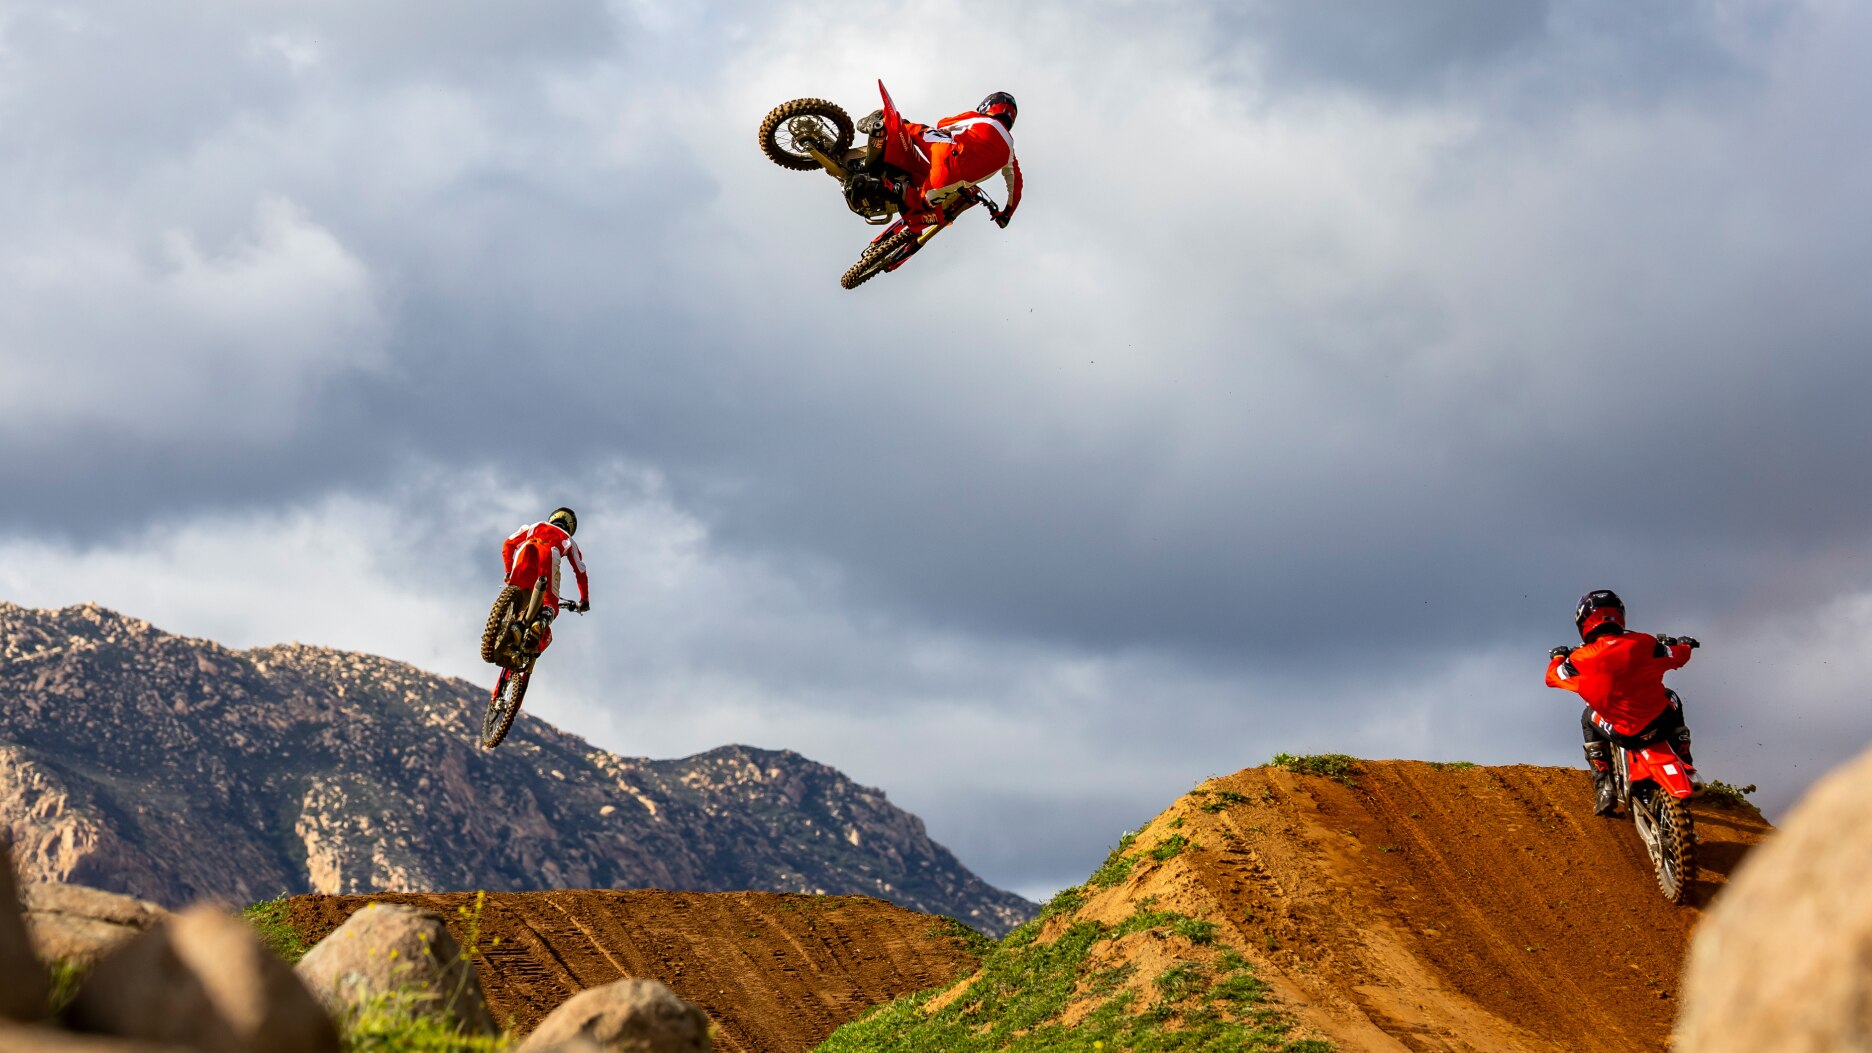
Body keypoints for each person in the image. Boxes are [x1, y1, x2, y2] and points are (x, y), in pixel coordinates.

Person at [1545, 589, 1698, 816]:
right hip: (1659, 721)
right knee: (1672, 696)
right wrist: (1685, 645)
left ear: (1584, 621)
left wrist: (1558, 656)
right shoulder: (1645, 642)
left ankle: (1604, 785)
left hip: (1621, 731)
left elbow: (1553, 677)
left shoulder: (1579, 659)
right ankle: (1683, 756)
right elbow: (1677, 656)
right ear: (1619, 615)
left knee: (1588, 718)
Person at [854, 91, 1023, 230]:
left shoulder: (981, 119)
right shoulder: (1010, 153)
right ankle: (892, 188)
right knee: (920, 202)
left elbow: (943, 124)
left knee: (915, 130)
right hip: (947, 181)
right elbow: (1016, 188)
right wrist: (1006, 214)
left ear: (989, 105)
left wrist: (953, 134)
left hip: (945, 152)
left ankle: (881, 122)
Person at [499, 507, 589, 654]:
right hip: (548, 555)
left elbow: (508, 544)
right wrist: (584, 600)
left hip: (525, 553)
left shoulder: (535, 525)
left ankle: (504, 626)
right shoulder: (568, 539)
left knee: (516, 591)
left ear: (552, 518)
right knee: (550, 603)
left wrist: (509, 571)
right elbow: (581, 572)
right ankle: (540, 623)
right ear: (570, 526)